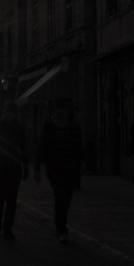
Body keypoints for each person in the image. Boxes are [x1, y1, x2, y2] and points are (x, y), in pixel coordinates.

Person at [34, 97, 83, 244]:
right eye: (58, 109)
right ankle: (62, 229)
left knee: (66, 199)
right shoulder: (49, 127)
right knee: (60, 196)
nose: (61, 112)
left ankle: (59, 223)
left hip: (70, 168)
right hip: (54, 168)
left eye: (63, 109)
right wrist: (37, 168)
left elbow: (79, 146)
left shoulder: (74, 127)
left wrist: (84, 163)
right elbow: (42, 146)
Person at [0, 101, 28, 240]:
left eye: (10, 112)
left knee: (11, 199)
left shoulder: (19, 129)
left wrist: (25, 166)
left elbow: (23, 148)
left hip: (14, 168)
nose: (7, 114)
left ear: (14, 114)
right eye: (6, 111)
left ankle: (8, 227)